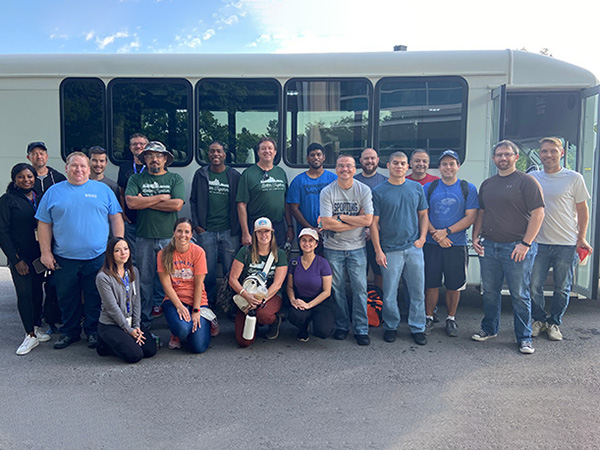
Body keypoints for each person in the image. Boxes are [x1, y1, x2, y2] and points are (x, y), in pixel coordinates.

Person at [36, 152, 124, 350]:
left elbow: (116, 218)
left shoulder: (103, 190)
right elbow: (43, 223)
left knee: (95, 295)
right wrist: (46, 253)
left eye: (83, 166)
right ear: (66, 168)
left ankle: (93, 331)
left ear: (89, 168)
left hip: (97, 256)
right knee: (67, 297)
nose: (79, 170)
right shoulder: (53, 192)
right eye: (74, 166)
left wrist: (118, 246)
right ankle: (70, 332)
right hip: (64, 258)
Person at [472, 140, 545, 354]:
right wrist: (476, 236)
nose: (503, 158)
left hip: (516, 247)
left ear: (516, 157)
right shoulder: (487, 184)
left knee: (520, 295)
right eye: (498, 155)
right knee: (490, 293)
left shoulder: (527, 182)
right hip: (490, 247)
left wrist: (526, 243)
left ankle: (524, 337)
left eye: (507, 154)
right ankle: (489, 329)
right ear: (494, 158)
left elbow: (538, 213)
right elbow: (482, 213)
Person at [529, 137, 593, 341]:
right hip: (538, 242)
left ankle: (554, 322)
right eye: (544, 151)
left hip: (566, 243)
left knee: (562, 288)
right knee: (533, 285)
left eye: (553, 151)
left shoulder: (574, 178)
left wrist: (581, 237)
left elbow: (583, 210)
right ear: (540, 154)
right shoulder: (532, 177)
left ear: (562, 153)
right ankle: (538, 320)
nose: (548, 155)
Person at [371, 152, 429, 345]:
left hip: (414, 248)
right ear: (388, 165)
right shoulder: (379, 191)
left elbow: (423, 215)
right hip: (390, 250)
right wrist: (378, 250)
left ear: (408, 167)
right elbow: (373, 223)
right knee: (389, 292)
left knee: (417, 291)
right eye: (395, 163)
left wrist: (422, 238)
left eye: (403, 163)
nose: (399, 166)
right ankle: (391, 326)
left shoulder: (416, 188)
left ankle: (418, 327)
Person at [125, 141, 185, 327]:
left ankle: (171, 316)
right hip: (144, 236)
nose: (154, 159)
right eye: (149, 156)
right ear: (144, 159)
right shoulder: (136, 179)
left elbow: (176, 205)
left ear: (165, 159)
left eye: (158, 156)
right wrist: (161, 198)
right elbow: (131, 204)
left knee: (172, 278)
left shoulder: (175, 178)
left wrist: (145, 201)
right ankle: (144, 317)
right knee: (144, 279)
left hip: (169, 237)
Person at [423, 150, 478, 337]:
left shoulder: (468, 188)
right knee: (431, 283)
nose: (448, 167)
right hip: (431, 244)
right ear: (439, 168)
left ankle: (451, 319)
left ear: (458, 166)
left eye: (452, 164)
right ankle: (429, 317)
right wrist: (436, 235)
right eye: (444, 164)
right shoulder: (429, 188)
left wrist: (446, 233)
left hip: (456, 244)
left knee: (454, 285)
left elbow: (471, 217)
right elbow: (422, 214)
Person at [320, 154, 373, 346]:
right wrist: (354, 220)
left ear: (354, 168)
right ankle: (342, 325)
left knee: (360, 289)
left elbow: (368, 220)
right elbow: (326, 223)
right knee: (337, 289)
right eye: (341, 165)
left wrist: (340, 217)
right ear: (336, 169)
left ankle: (361, 328)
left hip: (357, 248)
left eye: (349, 166)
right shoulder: (327, 191)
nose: (345, 169)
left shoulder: (363, 190)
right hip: (333, 248)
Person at [0, 163, 51, 355]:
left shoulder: (39, 197)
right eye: (21, 177)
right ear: (14, 180)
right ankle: (29, 334)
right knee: (24, 294)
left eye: (29, 176)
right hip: (20, 257)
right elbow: (2, 233)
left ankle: (36, 327)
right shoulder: (7, 200)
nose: (26, 180)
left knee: (38, 292)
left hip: (38, 255)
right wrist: (15, 259)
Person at [190, 141, 241, 304]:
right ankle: (208, 304)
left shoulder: (234, 176)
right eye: (212, 151)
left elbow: (240, 204)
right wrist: (197, 226)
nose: (215, 154)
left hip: (229, 231)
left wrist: (238, 228)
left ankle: (230, 304)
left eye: (219, 151)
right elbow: (194, 200)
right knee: (208, 272)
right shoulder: (201, 174)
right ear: (208, 154)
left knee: (230, 272)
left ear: (225, 155)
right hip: (206, 231)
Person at [228, 217, 288, 348]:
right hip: (247, 295)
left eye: (266, 231)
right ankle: (253, 323)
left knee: (264, 315)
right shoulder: (245, 251)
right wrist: (246, 296)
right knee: (244, 342)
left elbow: (277, 284)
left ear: (272, 232)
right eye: (260, 232)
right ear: (254, 234)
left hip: (270, 295)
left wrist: (260, 300)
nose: (263, 235)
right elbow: (233, 279)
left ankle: (273, 321)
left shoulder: (280, 254)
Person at [96, 237, 157, 363]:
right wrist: (129, 331)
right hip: (111, 323)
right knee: (135, 355)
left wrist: (136, 326)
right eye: (117, 250)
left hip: (130, 322)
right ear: (110, 254)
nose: (123, 253)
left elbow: (136, 300)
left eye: (126, 249)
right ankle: (104, 342)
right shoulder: (103, 277)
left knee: (150, 350)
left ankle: (125, 340)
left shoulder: (133, 271)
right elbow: (112, 308)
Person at [26, 141, 66, 331]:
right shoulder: (26, 177)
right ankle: (36, 319)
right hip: (32, 237)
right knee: (36, 280)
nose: (38, 157)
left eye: (42, 153)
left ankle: (53, 318)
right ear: (29, 158)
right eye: (34, 154)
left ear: (47, 156)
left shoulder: (57, 178)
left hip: (55, 236)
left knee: (53, 281)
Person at [158, 218, 211, 353]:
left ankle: (209, 320)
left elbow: (199, 285)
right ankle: (177, 333)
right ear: (174, 232)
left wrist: (196, 311)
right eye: (179, 231)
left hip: (197, 301)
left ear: (191, 235)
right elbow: (167, 287)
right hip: (174, 300)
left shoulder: (198, 252)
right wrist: (180, 307)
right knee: (182, 329)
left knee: (198, 347)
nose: (183, 235)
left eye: (187, 232)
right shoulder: (163, 254)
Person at [237, 137, 293, 249]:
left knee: (279, 261)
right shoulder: (248, 174)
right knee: (257, 262)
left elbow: (286, 202)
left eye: (270, 148)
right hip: (257, 227)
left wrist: (290, 227)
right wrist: (245, 233)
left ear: (275, 152)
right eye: (263, 148)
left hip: (278, 226)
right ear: (258, 152)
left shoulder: (280, 172)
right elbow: (241, 205)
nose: (267, 151)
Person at [286, 228, 335, 341]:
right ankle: (303, 326)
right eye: (303, 240)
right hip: (301, 299)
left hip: (320, 301)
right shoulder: (294, 262)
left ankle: (316, 319)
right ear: (299, 242)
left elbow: (327, 291)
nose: (307, 243)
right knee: (295, 315)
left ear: (316, 244)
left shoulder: (323, 263)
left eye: (311, 240)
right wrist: (293, 300)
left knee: (323, 331)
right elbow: (289, 286)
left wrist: (309, 305)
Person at [354, 148, 387, 290]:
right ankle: (363, 302)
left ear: (378, 160)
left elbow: (386, 210)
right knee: (360, 271)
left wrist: (373, 228)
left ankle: (379, 301)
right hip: (356, 234)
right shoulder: (353, 181)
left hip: (378, 234)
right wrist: (363, 227)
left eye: (372, 158)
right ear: (360, 161)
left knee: (379, 270)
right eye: (366, 158)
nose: (370, 161)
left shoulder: (385, 182)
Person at [287, 142, 337, 235]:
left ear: (324, 157)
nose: (316, 158)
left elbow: (339, 205)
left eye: (319, 154)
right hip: (306, 233)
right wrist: (311, 229)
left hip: (330, 231)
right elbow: (294, 209)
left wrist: (326, 225)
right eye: (312, 155)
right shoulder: (298, 181)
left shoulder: (334, 179)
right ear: (307, 158)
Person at [117, 133, 149, 263]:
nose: (138, 146)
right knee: (132, 258)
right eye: (135, 144)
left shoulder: (153, 167)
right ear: (130, 148)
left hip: (148, 220)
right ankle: (134, 282)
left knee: (147, 258)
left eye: (142, 144)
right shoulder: (124, 167)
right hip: (130, 219)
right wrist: (123, 214)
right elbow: (121, 192)